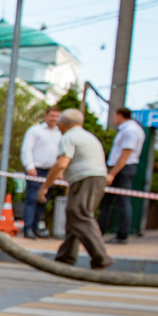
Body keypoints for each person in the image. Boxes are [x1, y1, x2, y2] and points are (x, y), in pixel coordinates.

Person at [44, 107, 111, 269]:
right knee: (75, 215)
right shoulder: (89, 137)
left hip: (86, 178)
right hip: (95, 178)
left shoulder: (69, 136)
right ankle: (65, 258)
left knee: (79, 214)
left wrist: (45, 187)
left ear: (63, 124)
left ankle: (101, 257)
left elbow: (62, 163)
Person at [103, 107, 146, 243]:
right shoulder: (133, 129)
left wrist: (112, 173)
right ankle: (101, 232)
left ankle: (122, 235)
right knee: (110, 202)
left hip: (122, 169)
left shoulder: (130, 130)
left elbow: (125, 154)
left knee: (122, 202)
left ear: (119, 115)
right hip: (122, 168)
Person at [19, 106, 62, 238]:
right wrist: (29, 165)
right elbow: (27, 148)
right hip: (36, 170)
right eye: (52, 115)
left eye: (56, 116)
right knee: (32, 198)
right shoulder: (35, 130)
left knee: (43, 200)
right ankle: (28, 228)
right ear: (46, 116)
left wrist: (58, 171)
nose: (54, 119)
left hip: (51, 171)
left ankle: (36, 227)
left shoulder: (59, 133)